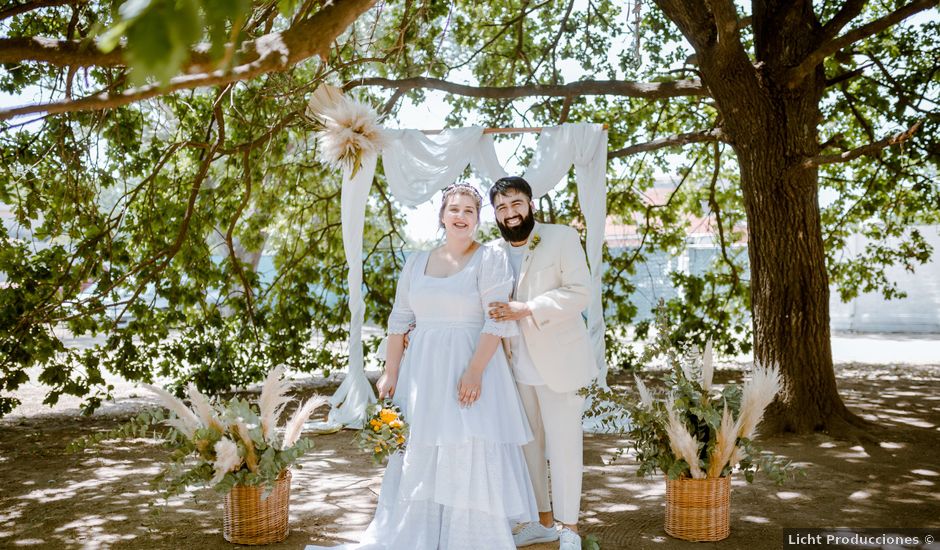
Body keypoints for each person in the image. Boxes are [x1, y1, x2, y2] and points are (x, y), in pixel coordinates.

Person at [307, 183, 537, 550]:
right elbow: (399, 320)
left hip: (471, 363)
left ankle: (467, 536)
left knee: (465, 444)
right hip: (423, 371)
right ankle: (419, 530)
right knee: (422, 445)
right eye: (454, 209)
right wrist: (391, 371)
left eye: (469, 211)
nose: (460, 216)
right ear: (442, 216)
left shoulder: (489, 258)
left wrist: (475, 370)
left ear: (478, 220)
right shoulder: (416, 262)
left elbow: (496, 320)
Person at [486, 176, 598, 550]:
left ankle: (570, 528)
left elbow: (580, 294)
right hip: (515, 366)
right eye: (501, 207)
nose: (510, 213)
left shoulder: (561, 237)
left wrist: (529, 308)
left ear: (530, 204)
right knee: (529, 446)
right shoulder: (493, 252)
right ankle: (542, 521)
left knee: (565, 447)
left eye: (515, 203)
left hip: (560, 362)